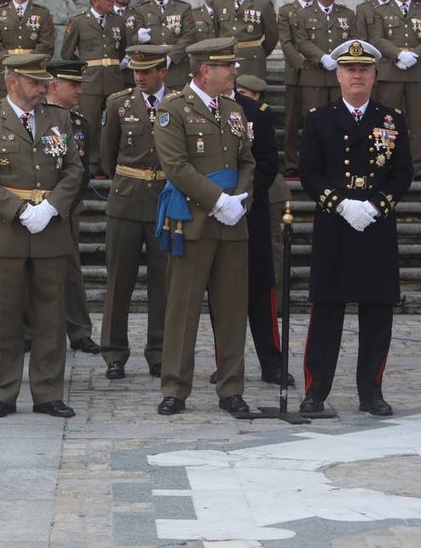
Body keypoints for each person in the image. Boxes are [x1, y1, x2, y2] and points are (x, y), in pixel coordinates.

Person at [298, 39, 412, 417]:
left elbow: (402, 173)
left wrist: (376, 205)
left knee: (377, 310)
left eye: (364, 69)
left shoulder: (391, 120)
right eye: (350, 69)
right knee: (327, 309)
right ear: (338, 75)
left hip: (376, 226)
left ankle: (371, 392)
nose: (357, 75)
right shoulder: (319, 119)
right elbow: (309, 173)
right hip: (335, 224)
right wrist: (340, 203)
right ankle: (316, 391)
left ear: (375, 76)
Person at [0, 53, 83, 419]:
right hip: (4, 231)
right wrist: (19, 210)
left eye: (43, 83)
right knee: (4, 315)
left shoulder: (59, 118)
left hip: (50, 228)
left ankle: (48, 392)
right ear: (12, 82)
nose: (42, 89)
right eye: (34, 83)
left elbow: (73, 170)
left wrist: (50, 208)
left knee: (51, 315)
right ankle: (4, 392)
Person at [152, 38, 254, 416]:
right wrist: (217, 201)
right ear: (204, 70)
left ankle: (231, 388)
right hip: (193, 221)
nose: (233, 71)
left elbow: (248, 161)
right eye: (226, 66)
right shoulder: (174, 109)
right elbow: (176, 166)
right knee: (183, 307)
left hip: (232, 222)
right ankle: (175, 388)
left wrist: (239, 201)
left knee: (231, 309)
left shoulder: (234, 109)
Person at [98, 46, 170, 379]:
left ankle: (160, 350)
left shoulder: (178, 103)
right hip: (126, 199)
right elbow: (106, 155)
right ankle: (114, 352)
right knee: (119, 280)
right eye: (136, 71)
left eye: (147, 71)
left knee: (164, 281)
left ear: (163, 72)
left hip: (165, 202)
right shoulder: (118, 103)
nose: (139, 77)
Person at [226, 73, 289, 386]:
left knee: (261, 292)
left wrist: (242, 198)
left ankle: (272, 362)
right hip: (213, 212)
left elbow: (267, 164)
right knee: (221, 293)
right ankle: (225, 363)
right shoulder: (194, 111)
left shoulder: (255, 113)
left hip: (251, 213)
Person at [44, 61, 100, 355]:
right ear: (54, 86)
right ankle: (27, 331)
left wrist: (64, 206)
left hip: (67, 209)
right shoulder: (36, 117)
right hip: (32, 207)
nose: (80, 90)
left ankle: (79, 331)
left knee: (71, 271)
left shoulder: (80, 124)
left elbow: (83, 171)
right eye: (73, 85)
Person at [61, 0, 126, 176]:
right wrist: (83, 72)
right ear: (95, 0)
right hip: (90, 81)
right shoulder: (79, 21)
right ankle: (90, 162)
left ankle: (110, 163)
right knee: (89, 122)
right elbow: (67, 53)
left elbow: (121, 50)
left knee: (112, 123)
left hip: (113, 80)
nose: (111, 2)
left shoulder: (118, 21)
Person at [369, 0, 421, 174]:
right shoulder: (381, 12)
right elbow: (377, 39)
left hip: (416, 73)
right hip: (391, 72)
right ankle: (386, 161)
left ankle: (416, 166)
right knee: (387, 121)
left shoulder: (419, 9)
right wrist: (399, 55)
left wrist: (414, 55)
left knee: (418, 124)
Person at [294, 0, 356, 138]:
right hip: (314, 74)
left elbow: (352, 40)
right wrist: (322, 58)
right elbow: (301, 42)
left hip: (339, 75)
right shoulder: (303, 14)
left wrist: (338, 59)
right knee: (315, 120)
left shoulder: (347, 14)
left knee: (342, 118)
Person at [0, 0, 55, 99]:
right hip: (6, 70)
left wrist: (29, 63)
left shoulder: (42, 13)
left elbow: (45, 44)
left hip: (33, 72)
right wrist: (9, 61)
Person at [125, 0, 197, 90]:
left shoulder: (183, 8)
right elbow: (132, 40)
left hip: (177, 68)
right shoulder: (141, 10)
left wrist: (171, 57)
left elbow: (189, 36)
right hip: (152, 68)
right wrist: (139, 39)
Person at [276, 0, 317, 177]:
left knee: (315, 117)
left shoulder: (321, 11)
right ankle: (291, 162)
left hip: (319, 72)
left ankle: (313, 159)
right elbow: (286, 42)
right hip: (296, 70)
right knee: (292, 119)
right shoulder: (287, 11)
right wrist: (302, 62)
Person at [212, 0, 278, 80]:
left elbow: (272, 37)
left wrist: (257, 53)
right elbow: (217, 34)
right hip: (226, 61)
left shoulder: (262, 4)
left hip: (252, 63)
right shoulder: (219, 4)